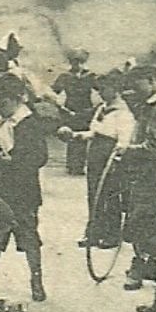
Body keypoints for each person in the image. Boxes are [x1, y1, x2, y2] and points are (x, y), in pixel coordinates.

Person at [0, 74, 50, 302]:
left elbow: (39, 156)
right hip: (0, 191)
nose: (0, 108)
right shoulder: (0, 123)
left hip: (23, 192)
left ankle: (36, 279)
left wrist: (14, 161)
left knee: (29, 236)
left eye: (4, 103)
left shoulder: (28, 124)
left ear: (17, 100)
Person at [58, 70, 133, 248]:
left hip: (109, 157)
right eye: (99, 89)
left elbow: (124, 141)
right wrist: (75, 135)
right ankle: (93, 233)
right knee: (94, 195)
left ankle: (112, 235)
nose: (100, 92)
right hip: (95, 155)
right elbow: (94, 132)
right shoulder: (102, 108)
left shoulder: (123, 113)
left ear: (115, 89)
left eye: (104, 89)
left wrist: (116, 160)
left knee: (110, 196)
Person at [116, 64, 156, 290]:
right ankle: (148, 264)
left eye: (137, 84)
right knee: (140, 218)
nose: (135, 90)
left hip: (151, 174)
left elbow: (154, 146)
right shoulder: (150, 105)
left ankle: (144, 266)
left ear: (151, 80)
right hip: (142, 173)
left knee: (145, 220)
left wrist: (127, 150)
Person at [51, 49, 96, 177]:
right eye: (75, 62)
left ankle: (80, 165)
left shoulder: (91, 76)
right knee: (70, 136)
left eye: (80, 62)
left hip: (85, 110)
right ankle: (71, 165)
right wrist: (59, 106)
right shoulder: (65, 77)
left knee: (82, 137)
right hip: (69, 110)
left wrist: (94, 109)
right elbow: (54, 92)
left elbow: (102, 89)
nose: (77, 65)